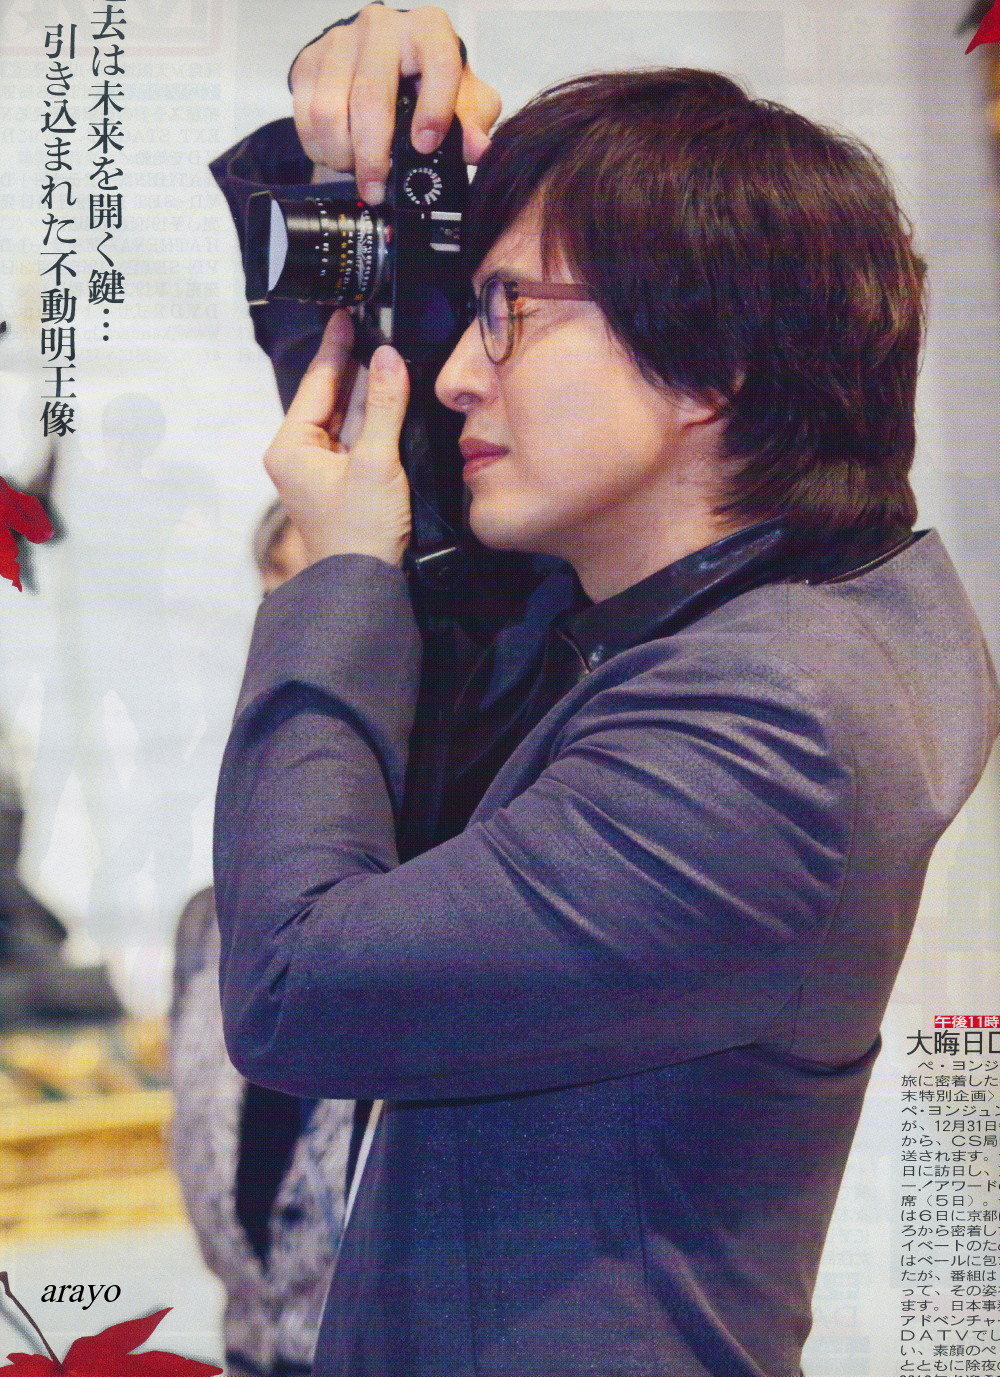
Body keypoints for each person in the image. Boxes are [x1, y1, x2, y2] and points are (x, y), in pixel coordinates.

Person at [212, 11, 999, 1375]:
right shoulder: (720, 620)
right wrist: (364, 127)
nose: (459, 370)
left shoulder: (769, 729)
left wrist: (334, 579)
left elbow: (294, 988)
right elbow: (438, 520)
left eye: (509, 312)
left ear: (712, 360)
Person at [170, 501, 354, 1377]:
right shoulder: (207, 926)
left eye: (316, 587)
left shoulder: (447, 892)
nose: (284, 631)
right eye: (272, 594)